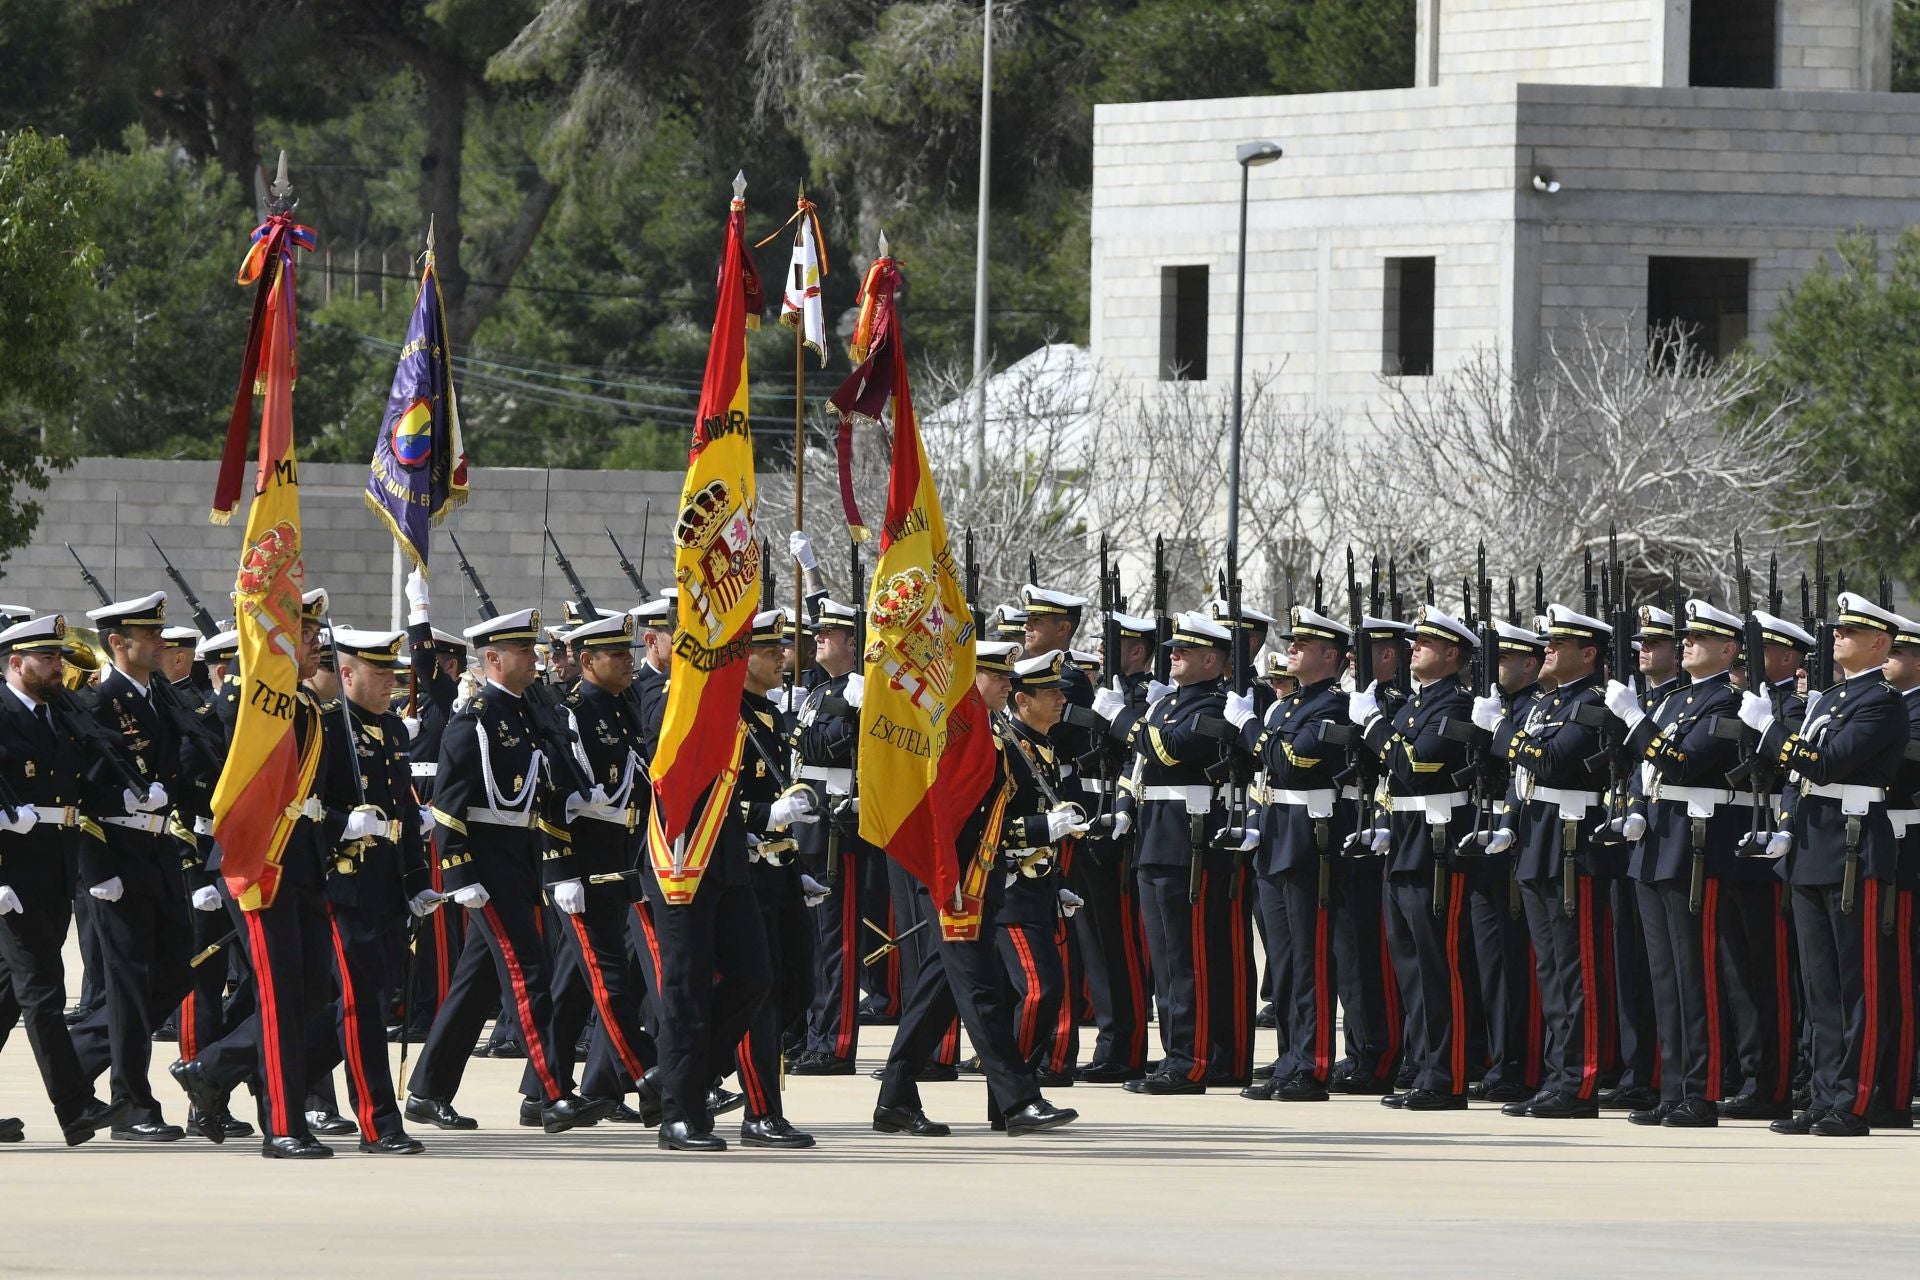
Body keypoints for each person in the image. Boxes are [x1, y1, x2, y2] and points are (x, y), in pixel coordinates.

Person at [401, 608, 609, 1136]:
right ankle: (553, 1096)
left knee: (476, 984)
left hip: (518, 856)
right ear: (492, 659)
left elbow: (540, 789)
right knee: (529, 974)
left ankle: (427, 1090)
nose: (534, 659)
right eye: (522, 651)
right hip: (486, 863)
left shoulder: (525, 713)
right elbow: (449, 804)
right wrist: (458, 873)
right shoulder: (473, 719)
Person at [871, 640, 1079, 1138]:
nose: (1010, 685)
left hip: (978, 879)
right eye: (998, 677)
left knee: (936, 998)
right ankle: (1018, 1100)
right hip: (954, 881)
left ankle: (894, 1099)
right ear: (969, 681)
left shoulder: (991, 733)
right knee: (983, 992)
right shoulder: (953, 736)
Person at [1744, 591, 1910, 1136]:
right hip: (1814, 847)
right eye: (1837, 630)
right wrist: (1786, 829)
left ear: (1879, 644)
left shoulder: (1881, 702)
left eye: (1849, 631)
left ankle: (1854, 1101)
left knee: (1855, 982)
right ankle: (1822, 1094)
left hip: (1852, 849)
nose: (1836, 636)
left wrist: (1771, 732)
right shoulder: (1830, 700)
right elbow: (1798, 780)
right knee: (1818, 985)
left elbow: (1825, 761)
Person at [67, 591, 193, 1142]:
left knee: (174, 974)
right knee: (128, 984)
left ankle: (69, 1064)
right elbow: (77, 793)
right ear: (118, 644)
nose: (160, 642)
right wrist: (97, 871)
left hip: (160, 852)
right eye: (149, 635)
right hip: (116, 856)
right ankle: (133, 1104)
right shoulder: (96, 704)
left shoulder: (163, 696)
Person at [0, 613, 129, 1146]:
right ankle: (75, 1109)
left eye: (57, 656)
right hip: (12, 873)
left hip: (53, 866)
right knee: (43, 991)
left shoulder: (59, 715)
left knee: (8, 997)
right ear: (15, 663)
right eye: (46, 658)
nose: (58, 666)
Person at [307, 627, 435, 1154]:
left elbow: (402, 812)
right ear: (349, 674)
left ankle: (229, 1069)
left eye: (393, 673)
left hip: (385, 890)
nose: (390, 683)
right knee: (360, 1007)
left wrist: (417, 884)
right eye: (379, 673)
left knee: (368, 1004)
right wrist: (344, 821)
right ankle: (378, 1120)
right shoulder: (329, 730)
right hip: (345, 887)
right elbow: (304, 808)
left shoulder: (392, 732)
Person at [531, 610, 659, 1126]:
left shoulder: (621, 706)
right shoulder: (572, 714)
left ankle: (544, 1088)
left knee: (577, 985)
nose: (628, 662)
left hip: (620, 857)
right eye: (616, 654)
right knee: (608, 980)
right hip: (584, 868)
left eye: (630, 653)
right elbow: (552, 798)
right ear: (587, 662)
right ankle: (652, 1077)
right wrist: (562, 872)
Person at [1486, 603, 1613, 1121]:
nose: (1547, 651)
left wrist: (1501, 734)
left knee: (1574, 968)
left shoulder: (1592, 704)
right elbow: (1526, 777)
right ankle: (1557, 1074)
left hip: (1571, 846)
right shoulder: (1545, 705)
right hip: (1539, 842)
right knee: (1550, 970)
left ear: (1588, 653)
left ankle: (1579, 1081)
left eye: (1558, 644)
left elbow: (1554, 760)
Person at [1348, 605, 1478, 1111]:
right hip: (1404, 842)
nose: (1413, 648)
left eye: (1426, 642)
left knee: (1438, 966)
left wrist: (1375, 726)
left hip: (1437, 849)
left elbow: (1416, 765)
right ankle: (1425, 1068)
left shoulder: (1457, 708)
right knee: (1411, 968)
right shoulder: (1412, 707)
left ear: (1452, 654)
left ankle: (1448, 1077)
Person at [1227, 605, 1354, 1102]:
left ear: (1331, 655)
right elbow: (1267, 774)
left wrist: (1249, 729)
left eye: (1303, 643)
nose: (1291, 648)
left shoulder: (1334, 708)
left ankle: (1313, 1065)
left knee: (1310, 959)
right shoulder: (1284, 709)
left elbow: (1292, 762)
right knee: (1284, 961)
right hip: (1277, 838)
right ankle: (1289, 1059)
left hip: (1311, 844)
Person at [1113, 611, 1240, 1096]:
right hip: (1154, 837)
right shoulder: (1169, 705)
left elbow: (1168, 750)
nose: (1174, 657)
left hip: (1189, 842)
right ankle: (1174, 1054)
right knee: (1163, 959)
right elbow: (1140, 763)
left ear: (1212, 658)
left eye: (1184, 651)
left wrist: (1120, 717)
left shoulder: (1216, 706)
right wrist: (1124, 808)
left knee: (1188, 959)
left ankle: (1192, 1061)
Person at [728, 609, 818, 1148]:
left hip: (781, 872)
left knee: (798, 988)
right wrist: (766, 819)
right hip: (745, 875)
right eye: (770, 650)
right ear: (742, 659)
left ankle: (687, 1072)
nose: (783, 657)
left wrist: (798, 864)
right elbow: (710, 799)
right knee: (757, 995)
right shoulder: (727, 717)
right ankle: (761, 1112)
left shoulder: (770, 716)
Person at [787, 597, 871, 1075]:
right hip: (806, 820)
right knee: (811, 939)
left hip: (840, 824)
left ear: (853, 642)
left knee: (837, 939)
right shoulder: (817, 691)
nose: (817, 636)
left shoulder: (863, 692)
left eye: (830, 632)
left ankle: (836, 1044)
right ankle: (811, 1033)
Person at [999, 650, 1091, 1083]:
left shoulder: (1042, 747)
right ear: (1022, 700)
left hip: (1038, 890)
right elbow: (987, 826)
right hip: (1009, 890)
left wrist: (1057, 885)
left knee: (1046, 992)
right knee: (1039, 991)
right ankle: (1013, 1084)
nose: (1059, 699)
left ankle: (1017, 1085)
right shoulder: (1006, 748)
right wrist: (1042, 828)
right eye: (1049, 692)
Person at [1077, 610, 1160, 1083]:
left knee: (1119, 944)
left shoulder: (1149, 697)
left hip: (1122, 829)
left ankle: (1125, 1046)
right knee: (1096, 942)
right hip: (1091, 819)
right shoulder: (1097, 691)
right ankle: (1111, 1043)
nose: (1105, 652)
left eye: (1114, 644)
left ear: (1135, 651)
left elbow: (1141, 757)